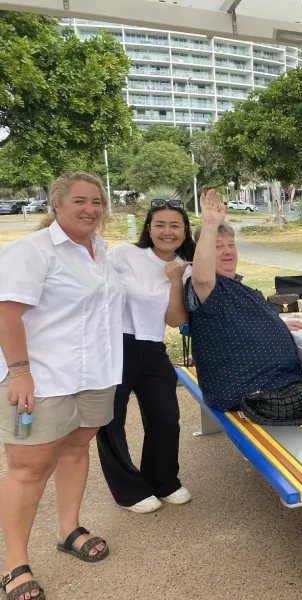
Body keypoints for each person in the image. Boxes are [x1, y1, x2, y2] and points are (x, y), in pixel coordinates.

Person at [0, 173, 126, 600]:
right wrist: (19, 373)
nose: (91, 209)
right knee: (28, 467)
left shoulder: (102, 252)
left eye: (97, 201)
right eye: (79, 201)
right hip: (43, 380)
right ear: (56, 204)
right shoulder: (32, 251)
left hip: (93, 377)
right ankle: (15, 563)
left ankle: (68, 529)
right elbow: (7, 315)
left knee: (76, 448)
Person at [96, 199, 195, 515]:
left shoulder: (184, 266)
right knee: (112, 420)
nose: (167, 231)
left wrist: (176, 280)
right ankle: (128, 490)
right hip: (116, 344)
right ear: (149, 228)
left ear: (184, 231)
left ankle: (163, 480)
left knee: (165, 417)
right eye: (160, 224)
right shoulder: (125, 254)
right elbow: (97, 286)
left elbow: (176, 320)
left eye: (175, 225)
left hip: (153, 348)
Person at [186, 189, 302, 412]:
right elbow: (201, 279)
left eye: (231, 245)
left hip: (267, 382)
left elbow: (239, 322)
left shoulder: (234, 285)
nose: (228, 251)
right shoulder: (209, 287)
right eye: (218, 247)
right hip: (249, 392)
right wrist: (210, 225)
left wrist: (276, 325)